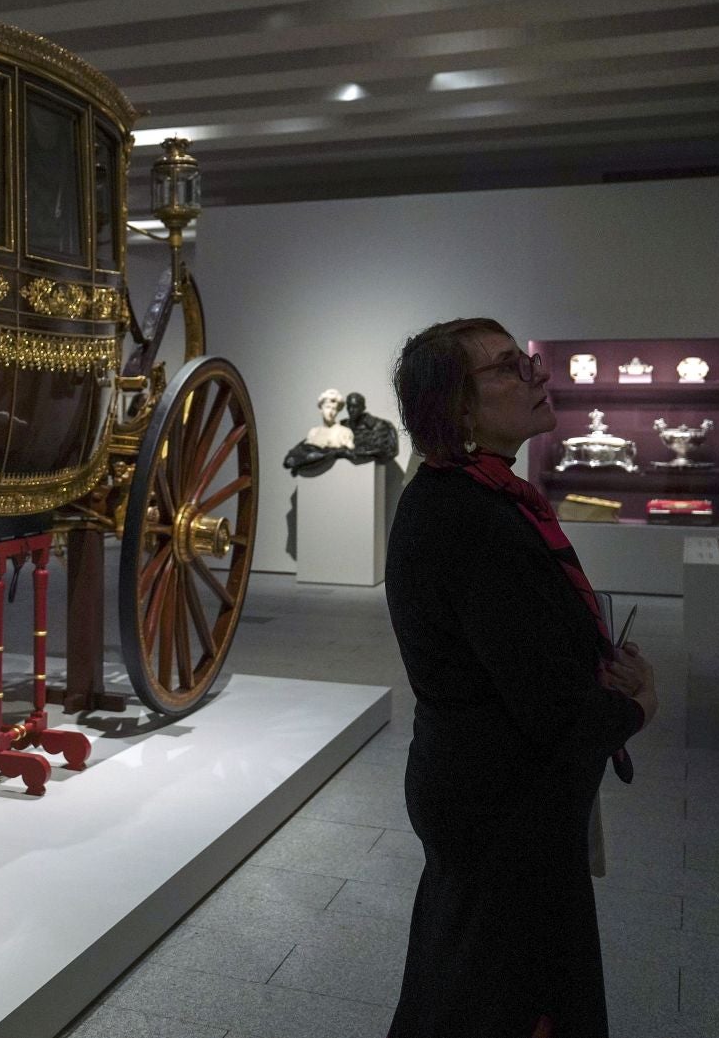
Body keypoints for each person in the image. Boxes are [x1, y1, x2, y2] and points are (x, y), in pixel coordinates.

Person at [385, 318, 657, 1038]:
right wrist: (637, 706)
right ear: (459, 406)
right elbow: (550, 705)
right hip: (501, 806)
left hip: (487, 794)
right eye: (509, 367)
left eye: (526, 361)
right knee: (500, 999)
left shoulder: (470, 498)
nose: (536, 375)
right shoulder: (470, 517)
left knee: (466, 982)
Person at [282, 388, 353, 474]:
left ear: (338, 411)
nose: (330, 412)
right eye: (328, 407)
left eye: (334, 409)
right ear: (321, 409)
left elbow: (348, 450)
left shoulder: (344, 432)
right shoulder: (313, 432)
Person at [340, 390, 400, 464]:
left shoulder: (383, 426)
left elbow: (392, 451)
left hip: (375, 467)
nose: (351, 410)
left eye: (355, 406)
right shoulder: (341, 427)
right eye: (349, 406)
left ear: (363, 407)